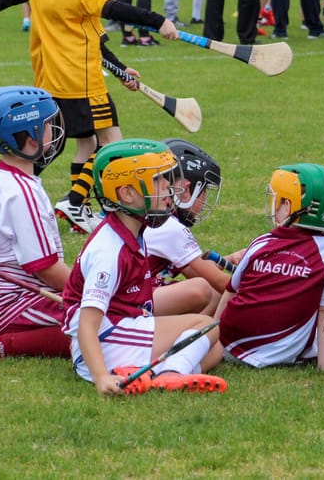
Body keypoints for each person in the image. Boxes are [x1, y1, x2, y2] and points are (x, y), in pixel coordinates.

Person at [0, 0, 177, 232]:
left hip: (50, 84)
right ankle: (75, 202)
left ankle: (57, 204)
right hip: (85, 85)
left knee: (75, 145)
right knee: (110, 145)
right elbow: (120, 10)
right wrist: (158, 21)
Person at [60, 139, 226, 395]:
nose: (168, 189)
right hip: (108, 341)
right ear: (127, 194)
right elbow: (87, 322)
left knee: (216, 349)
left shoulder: (134, 229)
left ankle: (152, 374)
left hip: (122, 327)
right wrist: (102, 376)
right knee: (206, 326)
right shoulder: (108, 250)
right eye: (158, 180)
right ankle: (170, 373)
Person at [0, 86, 73, 364]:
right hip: (15, 302)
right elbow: (46, 269)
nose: (54, 131)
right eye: (47, 125)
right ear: (31, 137)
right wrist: (89, 294)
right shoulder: (22, 192)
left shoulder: (2, 177)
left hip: (6, 298)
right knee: (99, 327)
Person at [217, 163, 324, 372]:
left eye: (279, 201)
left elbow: (231, 292)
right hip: (281, 353)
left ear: (289, 208)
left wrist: (212, 336)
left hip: (229, 346)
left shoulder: (262, 242)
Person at [144, 139, 244, 316]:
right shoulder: (169, 226)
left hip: (127, 297)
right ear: (185, 188)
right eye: (204, 192)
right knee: (202, 290)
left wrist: (231, 258)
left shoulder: (153, 217)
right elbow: (220, 282)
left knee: (208, 292)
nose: (204, 200)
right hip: (127, 304)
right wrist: (263, 290)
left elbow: (194, 270)